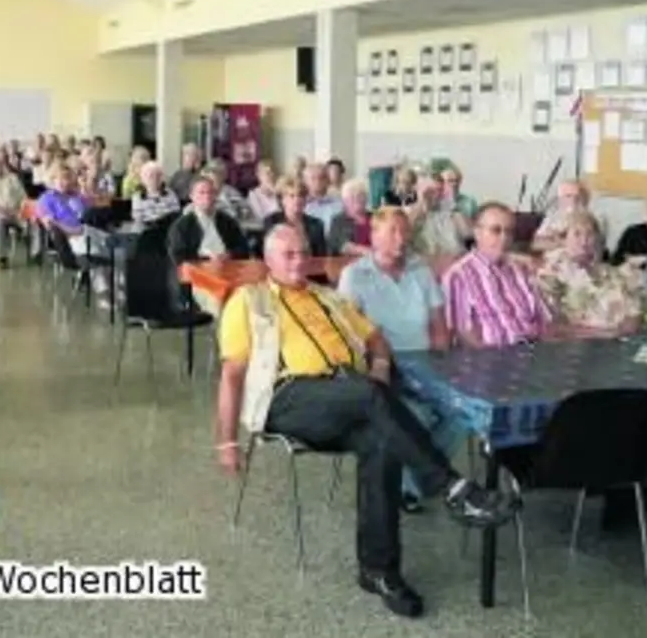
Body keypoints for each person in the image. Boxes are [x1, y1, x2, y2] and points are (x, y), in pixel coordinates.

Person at [214, 225, 517, 618]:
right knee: (372, 395)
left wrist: (378, 364)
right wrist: (226, 441)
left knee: (381, 439)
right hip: (286, 397)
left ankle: (379, 570)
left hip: (348, 396)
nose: (298, 260)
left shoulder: (329, 297)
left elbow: (375, 338)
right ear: (267, 260)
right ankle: (452, 487)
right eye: (287, 254)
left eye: (302, 252)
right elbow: (232, 374)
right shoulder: (248, 301)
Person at [336, 208, 465, 512]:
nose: (401, 238)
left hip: (425, 363)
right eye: (393, 231)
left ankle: (415, 481)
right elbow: (351, 334)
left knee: (463, 414)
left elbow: (438, 324)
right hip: (382, 368)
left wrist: (442, 363)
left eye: (405, 231)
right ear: (374, 235)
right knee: (415, 417)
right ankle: (412, 486)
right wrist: (378, 367)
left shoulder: (421, 271)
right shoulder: (355, 275)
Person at [442, 203, 552, 347]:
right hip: (492, 358)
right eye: (496, 230)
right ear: (477, 233)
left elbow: (541, 319)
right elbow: (464, 334)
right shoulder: (459, 276)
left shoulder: (521, 270)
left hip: (534, 353)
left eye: (509, 232)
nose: (504, 238)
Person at [536, 210, 646, 337]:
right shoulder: (551, 274)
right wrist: (606, 334)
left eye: (590, 234)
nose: (584, 241)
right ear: (563, 239)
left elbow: (634, 313)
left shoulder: (610, 273)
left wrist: (628, 327)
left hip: (619, 343)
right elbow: (551, 326)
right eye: (577, 234)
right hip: (576, 346)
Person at [168, 176, 249, 265]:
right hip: (197, 270)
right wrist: (206, 258)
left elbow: (243, 248)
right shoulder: (181, 226)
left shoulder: (228, 221)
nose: (207, 196)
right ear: (192, 196)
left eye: (210, 192)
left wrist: (228, 255)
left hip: (228, 266)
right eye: (201, 193)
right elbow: (179, 256)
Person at [261, 176, 330, 258]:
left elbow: (321, 256)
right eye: (292, 196)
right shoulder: (272, 221)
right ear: (282, 200)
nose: (297, 200)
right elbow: (268, 254)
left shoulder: (316, 224)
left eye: (301, 196)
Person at [533, 180, 602, 253]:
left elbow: (587, 245)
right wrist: (561, 242)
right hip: (551, 259)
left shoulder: (589, 220)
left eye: (577, 196)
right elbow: (536, 244)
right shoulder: (552, 219)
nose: (573, 200)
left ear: (584, 200)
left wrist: (557, 240)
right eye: (568, 196)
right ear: (560, 199)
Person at [409, 175, 469, 257]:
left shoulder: (452, 212)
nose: (436, 195)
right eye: (430, 191)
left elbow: (469, 237)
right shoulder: (410, 212)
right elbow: (407, 230)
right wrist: (422, 205)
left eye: (439, 190)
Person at [327, 177, 374, 257]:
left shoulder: (375, 217)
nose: (357, 199)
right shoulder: (338, 220)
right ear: (344, 201)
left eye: (361, 195)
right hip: (348, 263)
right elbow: (343, 246)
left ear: (366, 198)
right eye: (352, 196)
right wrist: (366, 251)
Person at [302, 163, 347, 228]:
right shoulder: (300, 204)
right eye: (313, 178)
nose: (318, 182)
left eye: (321, 177)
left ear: (328, 180)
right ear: (305, 181)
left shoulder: (340, 204)